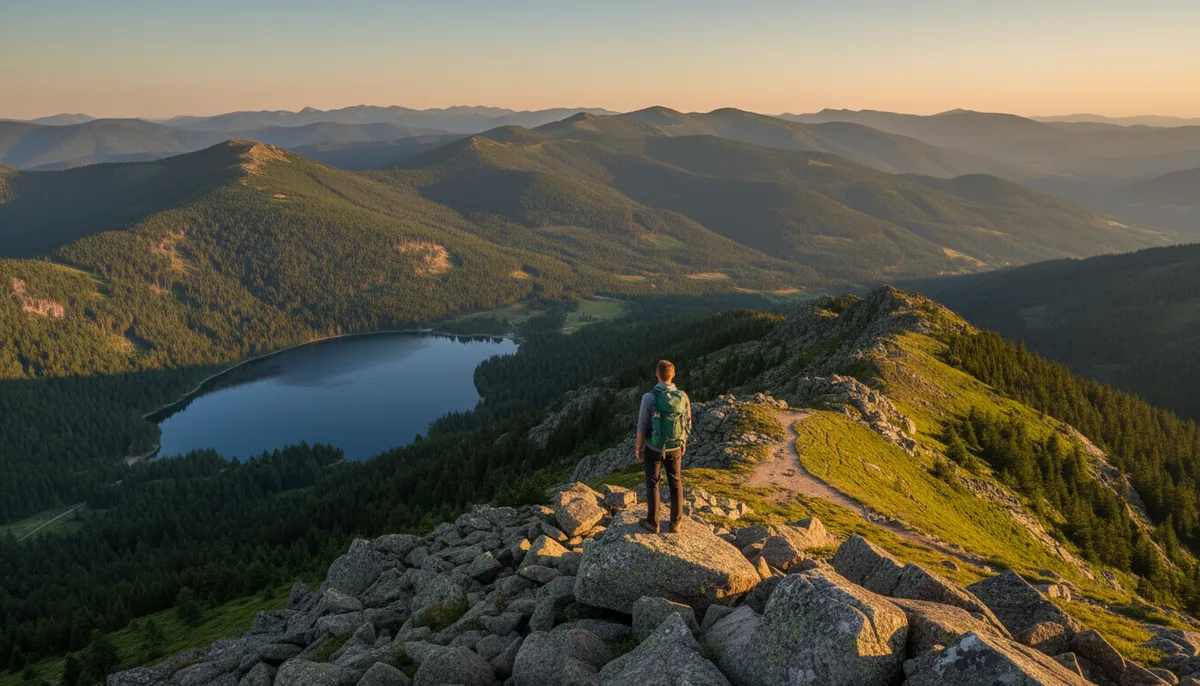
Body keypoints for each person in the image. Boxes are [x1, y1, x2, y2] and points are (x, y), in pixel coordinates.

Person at [636, 360, 692, 533]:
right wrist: (682, 442)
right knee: (675, 483)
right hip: (675, 446)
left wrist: (638, 448)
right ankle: (675, 523)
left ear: (657, 374)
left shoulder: (649, 397)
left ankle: (653, 523)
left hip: (654, 446)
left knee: (653, 483)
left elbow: (642, 425)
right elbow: (687, 423)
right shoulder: (683, 396)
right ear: (673, 374)